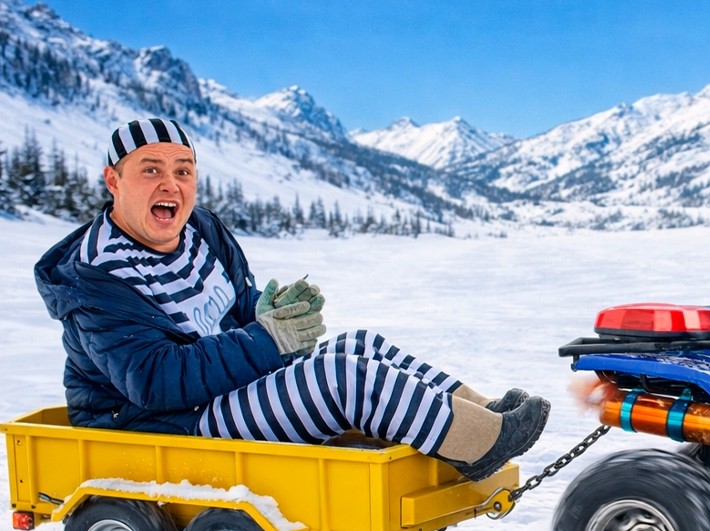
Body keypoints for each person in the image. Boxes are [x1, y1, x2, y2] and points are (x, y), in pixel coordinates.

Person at [34, 118, 548, 481]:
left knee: (360, 344)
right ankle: (478, 444)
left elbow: (232, 310)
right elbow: (154, 379)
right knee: (343, 380)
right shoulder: (96, 276)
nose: (171, 183)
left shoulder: (202, 231)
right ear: (113, 181)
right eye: (150, 169)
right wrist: (266, 339)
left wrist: (264, 312)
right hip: (163, 424)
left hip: (217, 395)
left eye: (183, 169)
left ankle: (481, 414)